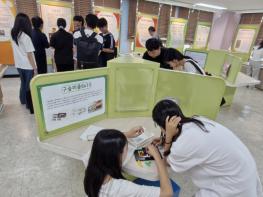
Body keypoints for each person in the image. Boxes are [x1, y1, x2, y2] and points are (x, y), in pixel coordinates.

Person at [152, 99, 263, 197]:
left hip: (234, 187)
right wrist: (165, 139)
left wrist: (167, 140)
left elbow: (167, 162)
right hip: (246, 172)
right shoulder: (197, 120)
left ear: (162, 126)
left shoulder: (184, 144)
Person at [84, 128, 173, 197]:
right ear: (117, 156)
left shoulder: (90, 161)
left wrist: (127, 134)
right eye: (127, 148)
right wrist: (157, 156)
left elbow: (101, 143)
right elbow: (167, 193)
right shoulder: (122, 188)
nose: (128, 150)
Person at [10, 13, 37, 110]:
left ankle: (23, 100)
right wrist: (35, 68)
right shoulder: (26, 37)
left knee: (23, 83)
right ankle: (29, 104)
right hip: (27, 65)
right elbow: (30, 55)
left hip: (18, 64)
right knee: (29, 85)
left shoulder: (13, 34)